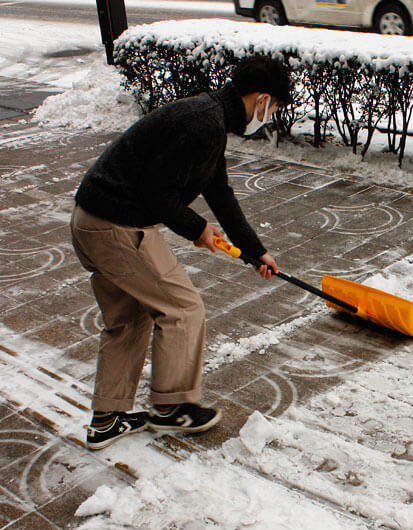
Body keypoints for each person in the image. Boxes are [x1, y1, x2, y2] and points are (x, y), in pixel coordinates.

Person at [70, 56, 290, 450]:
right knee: (183, 308)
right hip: (116, 226)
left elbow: (219, 192)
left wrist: (255, 251)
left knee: (129, 317)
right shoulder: (202, 123)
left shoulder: (208, 119)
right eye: (273, 108)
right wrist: (197, 229)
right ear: (260, 98)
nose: (269, 117)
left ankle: (108, 418)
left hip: (91, 219)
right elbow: (158, 192)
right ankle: (173, 407)